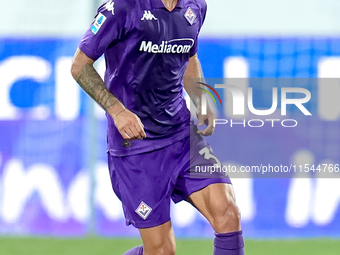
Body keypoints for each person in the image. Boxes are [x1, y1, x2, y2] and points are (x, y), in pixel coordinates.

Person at [71, 0, 245, 254]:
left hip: (181, 135)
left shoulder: (195, 7)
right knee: (162, 251)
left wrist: (200, 98)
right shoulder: (124, 7)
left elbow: (190, 56)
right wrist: (117, 111)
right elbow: (79, 65)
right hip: (136, 148)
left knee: (228, 214)